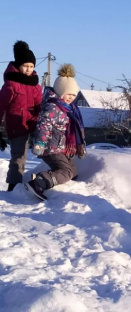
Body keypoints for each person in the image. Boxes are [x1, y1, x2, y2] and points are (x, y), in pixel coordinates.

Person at [24, 63, 86, 201]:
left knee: (73, 171)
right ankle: (38, 183)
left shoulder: (68, 109)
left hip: (60, 148)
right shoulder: (53, 108)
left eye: (73, 95)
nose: (71, 98)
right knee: (66, 171)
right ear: (60, 91)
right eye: (68, 94)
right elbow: (43, 126)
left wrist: (80, 146)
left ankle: (51, 181)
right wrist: (39, 143)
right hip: (50, 149)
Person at [0, 41, 42, 191]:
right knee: (19, 156)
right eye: (25, 66)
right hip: (17, 126)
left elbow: (40, 106)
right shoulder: (10, 85)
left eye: (31, 66)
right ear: (18, 65)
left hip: (35, 125)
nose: (28, 69)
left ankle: (44, 181)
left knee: (46, 153)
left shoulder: (36, 86)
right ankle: (13, 186)